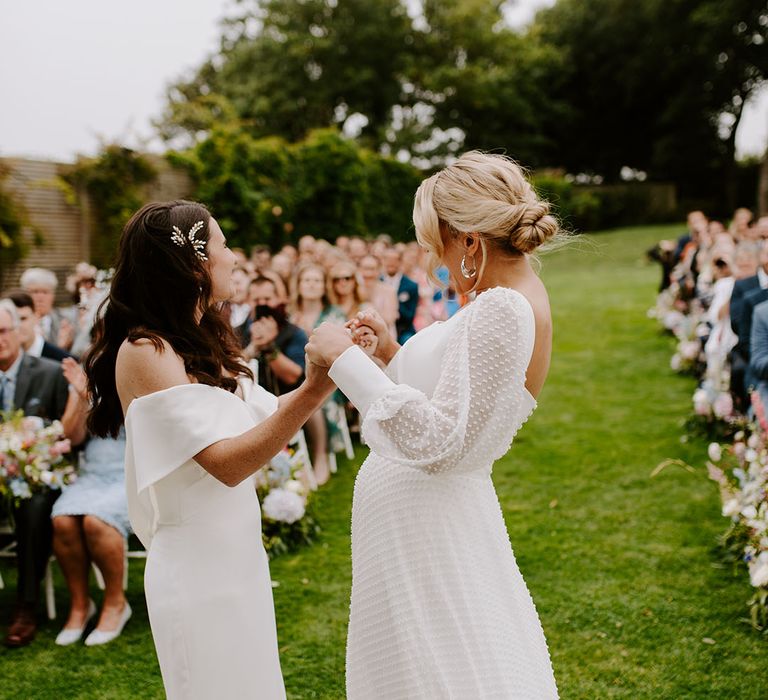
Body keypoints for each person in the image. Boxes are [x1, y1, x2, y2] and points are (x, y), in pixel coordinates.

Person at [307, 151, 560, 698]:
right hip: (421, 526)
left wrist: (342, 361)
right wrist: (390, 354)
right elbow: (458, 400)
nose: (430, 262)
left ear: (470, 241)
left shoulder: (503, 307)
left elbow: (444, 442)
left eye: (434, 244)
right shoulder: (504, 302)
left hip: (430, 530)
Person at [84, 201, 335, 699]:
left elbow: (266, 415)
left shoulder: (203, 339)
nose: (235, 256)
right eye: (223, 245)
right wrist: (315, 389)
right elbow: (225, 463)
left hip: (236, 553)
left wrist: (333, 364)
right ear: (192, 262)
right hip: (195, 568)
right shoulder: (145, 351)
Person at [0, 299, 70, 648]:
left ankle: (25, 607)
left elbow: (66, 435)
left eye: (3, 330)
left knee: (34, 507)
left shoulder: (48, 372)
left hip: (33, 476)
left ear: (17, 331)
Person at [51, 358, 132, 646]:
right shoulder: (88, 375)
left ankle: (116, 604)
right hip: (93, 473)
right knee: (62, 519)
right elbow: (71, 437)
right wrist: (80, 396)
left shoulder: (139, 365)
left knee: (96, 521)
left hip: (129, 472)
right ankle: (81, 605)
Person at [289, 263, 346, 486]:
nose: (311, 285)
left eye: (316, 281)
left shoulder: (334, 315)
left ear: (324, 286)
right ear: (299, 285)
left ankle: (320, 456)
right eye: (307, 280)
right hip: (292, 375)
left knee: (313, 395)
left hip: (330, 378)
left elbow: (340, 351)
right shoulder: (289, 314)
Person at [241, 276, 306, 396]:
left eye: (267, 299)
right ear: (248, 301)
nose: (262, 303)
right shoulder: (237, 332)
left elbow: (294, 377)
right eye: (256, 300)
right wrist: (254, 346)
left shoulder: (294, 333)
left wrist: (269, 347)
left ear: (277, 299)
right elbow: (230, 370)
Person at [4, 290, 73, 362]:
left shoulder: (64, 361)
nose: (18, 325)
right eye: (13, 320)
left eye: (23, 319)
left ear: (36, 317)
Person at [20, 267, 68, 349]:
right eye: (35, 292)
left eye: (45, 292)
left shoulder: (65, 321)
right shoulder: (17, 321)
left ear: (53, 296)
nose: (40, 297)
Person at [382, 248, 419, 344]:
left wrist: (394, 302)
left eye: (394, 260)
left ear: (400, 262)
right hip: (381, 328)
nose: (391, 263)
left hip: (403, 330)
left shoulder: (411, 285)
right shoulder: (377, 282)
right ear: (383, 261)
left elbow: (410, 316)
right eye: (388, 259)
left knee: (408, 341)